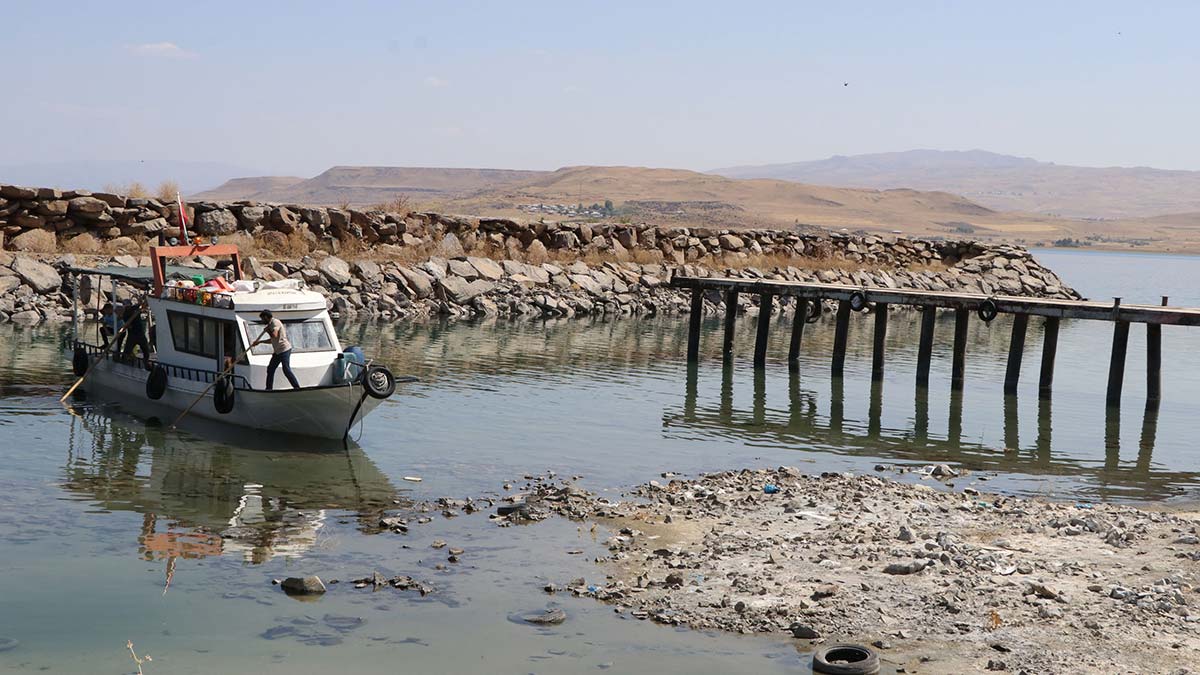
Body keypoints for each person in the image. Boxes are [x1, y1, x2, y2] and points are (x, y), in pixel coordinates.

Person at [252, 310, 300, 390]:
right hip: (277, 351)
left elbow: (274, 335)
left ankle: (297, 388)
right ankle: (268, 389)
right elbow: (273, 340)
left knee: (286, 369)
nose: (262, 321)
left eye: (262, 319)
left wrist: (268, 331)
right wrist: (260, 342)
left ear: (266, 317)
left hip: (284, 349)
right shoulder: (270, 324)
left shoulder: (275, 322)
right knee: (270, 369)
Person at [120, 300, 151, 368]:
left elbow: (141, 304)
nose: (127, 307)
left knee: (145, 350)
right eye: (126, 306)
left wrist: (144, 300)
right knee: (127, 351)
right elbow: (129, 326)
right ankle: (126, 361)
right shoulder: (126, 314)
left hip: (139, 333)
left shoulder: (134, 308)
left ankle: (146, 362)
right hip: (133, 334)